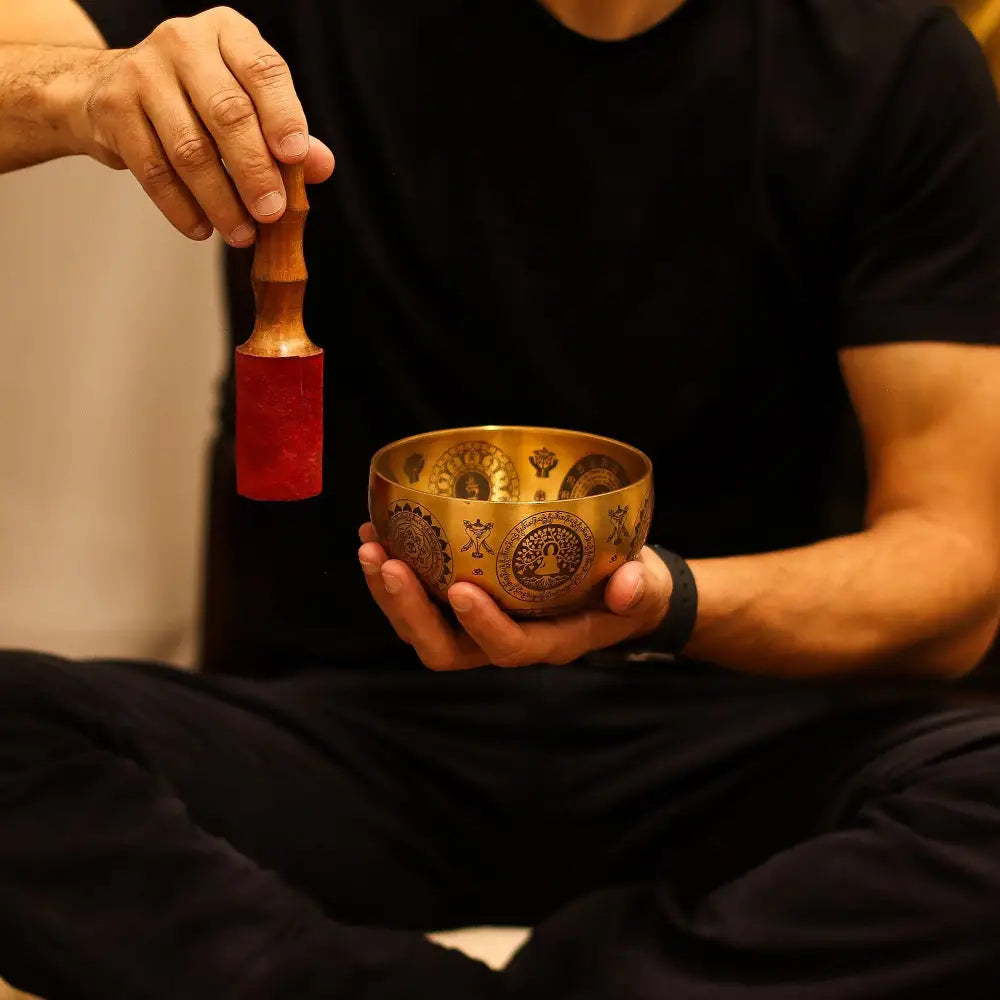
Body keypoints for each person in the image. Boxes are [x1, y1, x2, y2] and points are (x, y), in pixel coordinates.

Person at [2, 0, 1000, 997]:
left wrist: (661, 602)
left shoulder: (888, 53)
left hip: (717, 729)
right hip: (356, 734)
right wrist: (91, 90)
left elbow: (958, 567)